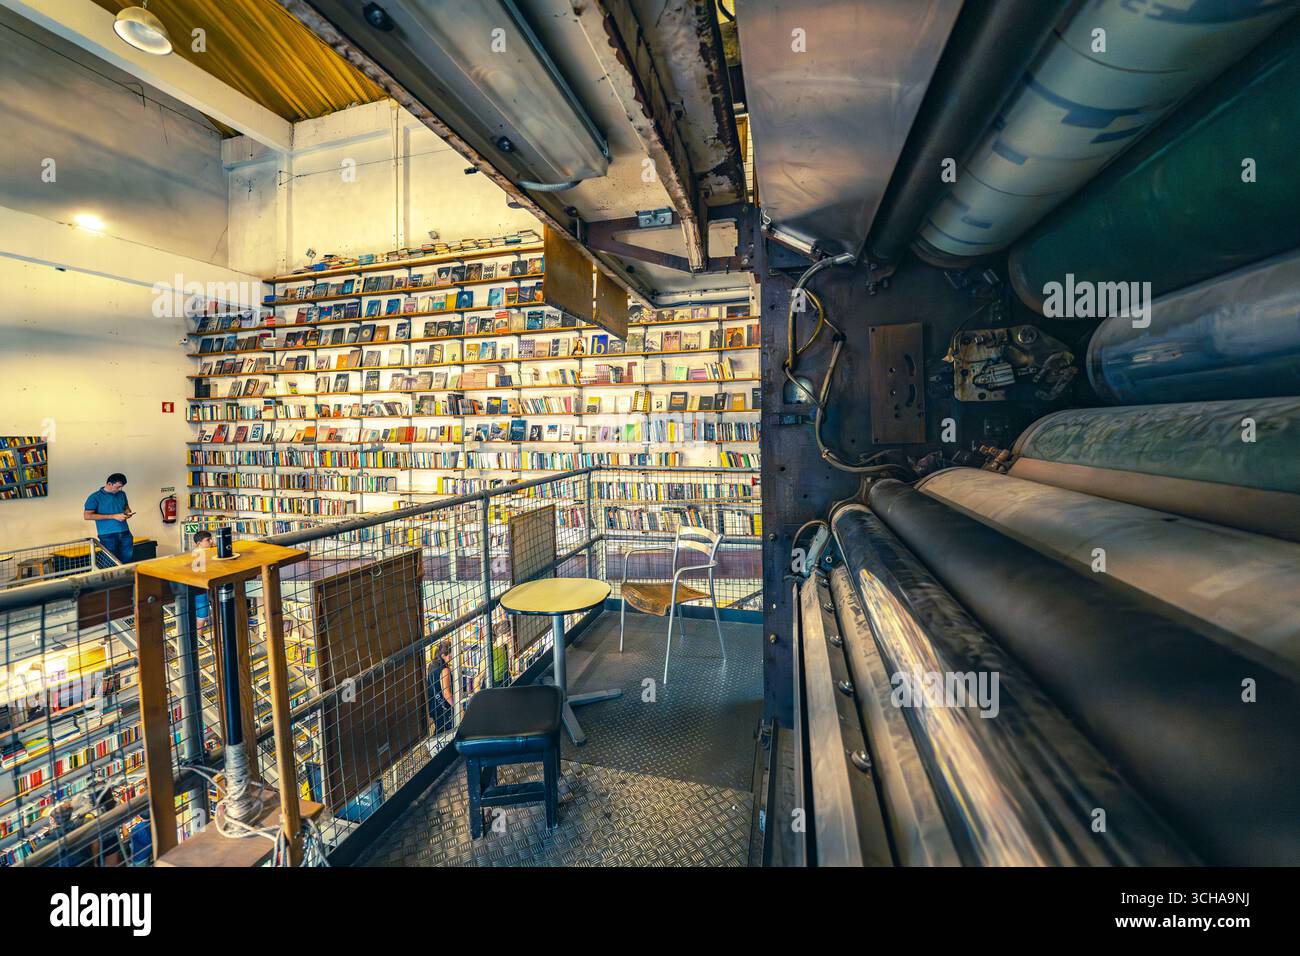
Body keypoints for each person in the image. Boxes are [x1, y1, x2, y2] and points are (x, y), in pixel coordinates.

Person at [83, 473, 133, 563]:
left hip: (125, 532)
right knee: (110, 561)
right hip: (107, 535)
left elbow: (126, 507)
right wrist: (113, 516)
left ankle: (127, 576)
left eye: (121, 487)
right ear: (109, 484)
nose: (120, 489)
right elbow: (87, 516)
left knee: (127, 559)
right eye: (118, 487)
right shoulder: (95, 497)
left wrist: (127, 512)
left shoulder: (122, 494)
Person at [426, 639, 455, 733]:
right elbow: (446, 693)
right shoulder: (445, 670)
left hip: (433, 705)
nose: (453, 656)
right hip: (444, 707)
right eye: (451, 653)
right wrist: (458, 707)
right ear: (444, 655)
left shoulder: (432, 665)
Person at [191, 530, 214, 626]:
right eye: (208, 540)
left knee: (203, 612)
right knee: (202, 613)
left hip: (203, 586)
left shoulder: (199, 552)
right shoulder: (200, 554)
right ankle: (199, 637)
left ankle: (200, 637)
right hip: (199, 587)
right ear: (199, 543)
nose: (212, 542)